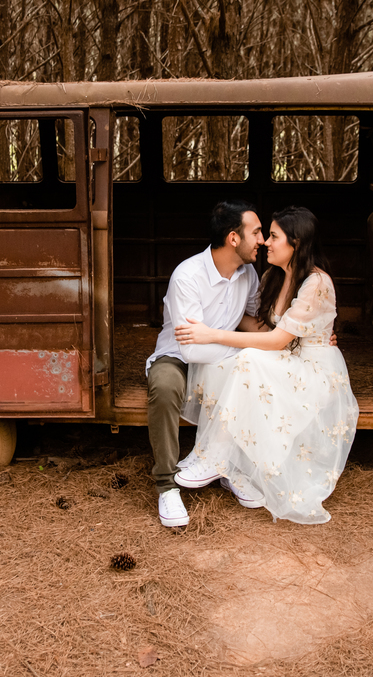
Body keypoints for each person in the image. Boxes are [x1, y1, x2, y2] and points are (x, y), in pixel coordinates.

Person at [173, 206, 360, 524]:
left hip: (313, 371)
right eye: (265, 235)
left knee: (246, 359)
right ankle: (232, 467)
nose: (266, 243)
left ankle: (215, 456)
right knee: (221, 363)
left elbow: (276, 341)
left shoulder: (316, 282)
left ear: (296, 243)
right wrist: (209, 324)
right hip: (287, 360)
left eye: (273, 236)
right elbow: (261, 327)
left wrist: (211, 335)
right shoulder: (273, 277)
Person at [146, 200, 265, 528]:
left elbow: (252, 321)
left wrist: (294, 337)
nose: (262, 240)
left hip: (222, 354)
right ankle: (167, 485)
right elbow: (192, 350)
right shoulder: (188, 276)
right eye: (256, 232)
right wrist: (244, 350)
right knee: (164, 387)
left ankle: (228, 467)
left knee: (254, 370)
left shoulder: (248, 273)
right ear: (233, 238)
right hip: (179, 357)